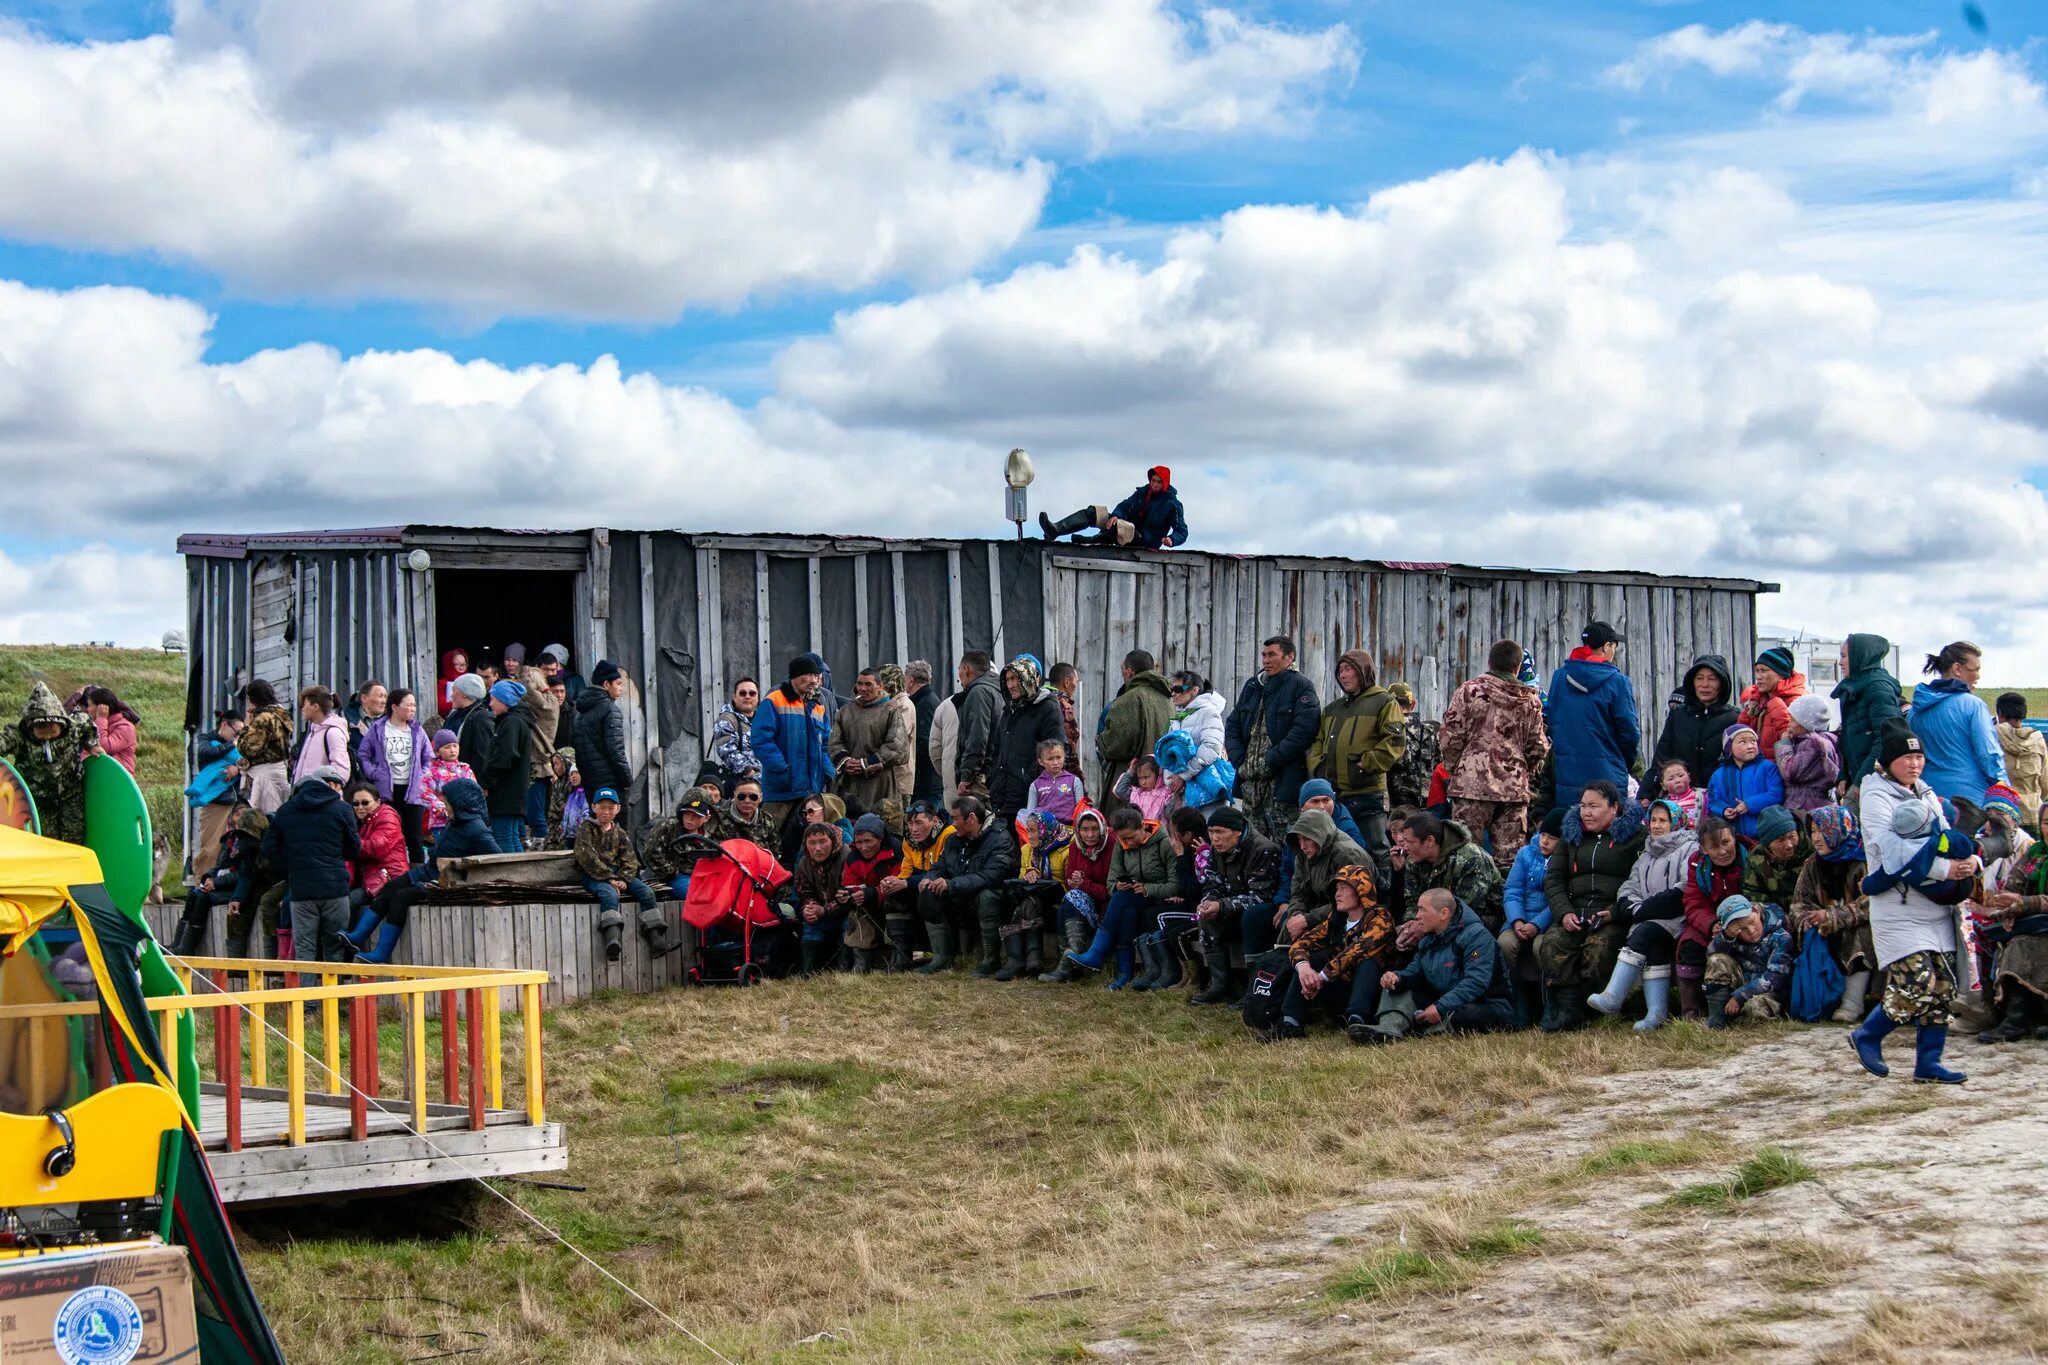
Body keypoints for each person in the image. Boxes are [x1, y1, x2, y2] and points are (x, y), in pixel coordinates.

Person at [1851, 725, 1973, 1084]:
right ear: (1889, 762)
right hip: (1897, 906)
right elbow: (1893, 851)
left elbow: (1945, 838)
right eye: (1907, 757)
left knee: (1943, 988)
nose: (1915, 763)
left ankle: (1928, 1064)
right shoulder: (1875, 796)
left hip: (1934, 905)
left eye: (1919, 756)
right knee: (1915, 983)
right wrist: (1947, 868)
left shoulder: (1925, 792)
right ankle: (1867, 1035)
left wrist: (1968, 864)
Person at [344, 778, 498, 963]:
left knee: (401, 897)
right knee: (391, 887)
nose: (445, 809)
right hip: (428, 870)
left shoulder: (477, 830)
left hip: (444, 880)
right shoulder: (454, 821)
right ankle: (359, 935)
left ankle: (381, 953)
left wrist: (467, 874)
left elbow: (495, 859)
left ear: (461, 805)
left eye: (448, 805)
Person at [1537, 780, 1647, 1032]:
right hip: (1575, 910)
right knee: (1553, 944)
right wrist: (1563, 912)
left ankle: (1593, 1011)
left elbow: (1640, 881)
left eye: (1594, 806)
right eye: (1584, 806)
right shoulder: (1571, 836)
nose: (1586, 812)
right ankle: (1565, 1010)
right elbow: (1554, 878)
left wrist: (1614, 912)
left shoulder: (1635, 837)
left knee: (1598, 950)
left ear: (1614, 808)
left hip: (1612, 914)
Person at [1439, 640, 1548, 872]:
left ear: (1490, 662)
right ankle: (1506, 907)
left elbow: (1450, 738)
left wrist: (1457, 768)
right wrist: (1522, 769)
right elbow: (1538, 746)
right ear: (1517, 667)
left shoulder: (1469, 692)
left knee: (1467, 855)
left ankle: (1470, 907)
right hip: (1513, 790)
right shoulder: (1531, 701)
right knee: (1511, 861)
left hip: (1472, 787)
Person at [1586, 799, 1696, 1030]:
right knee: (1652, 945)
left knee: (1644, 933)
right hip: (1649, 918)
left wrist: (1643, 911)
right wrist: (1636, 908)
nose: (1656, 825)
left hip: (1678, 919)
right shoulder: (1647, 853)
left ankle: (1614, 995)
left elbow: (1684, 888)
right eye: (1653, 820)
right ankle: (1656, 1014)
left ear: (1675, 823)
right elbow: (1628, 888)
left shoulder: (1689, 848)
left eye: (1663, 821)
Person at [1355, 888, 1515, 1043]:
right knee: (1396, 986)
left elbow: (1475, 983)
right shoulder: (1427, 939)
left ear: (1444, 913)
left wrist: (1440, 1007)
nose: (1417, 916)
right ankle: (1388, 1028)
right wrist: (1397, 977)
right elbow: (1416, 971)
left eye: (1422, 910)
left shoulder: (1477, 936)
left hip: (1485, 1005)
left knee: (1465, 1015)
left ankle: (1418, 1029)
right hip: (1443, 999)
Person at [1267, 865, 1392, 1042]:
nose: (1337, 894)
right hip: (1339, 990)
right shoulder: (1336, 920)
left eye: (1343, 889)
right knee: (1312, 959)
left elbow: (1356, 951)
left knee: (1367, 961)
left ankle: (1358, 1021)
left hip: (1374, 994)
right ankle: (1290, 1022)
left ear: (1360, 891)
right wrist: (1305, 970)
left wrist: (1322, 976)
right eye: (1336, 889)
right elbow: (1299, 945)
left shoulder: (1380, 918)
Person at [1056, 806, 1174, 988]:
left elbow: (1176, 885)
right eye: (1122, 838)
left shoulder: (1163, 843)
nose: (1127, 843)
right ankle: (1123, 973)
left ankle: (1097, 954)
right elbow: (1111, 883)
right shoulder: (1121, 844)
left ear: (1143, 827)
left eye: (1131, 837)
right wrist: (1118, 885)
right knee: (1126, 910)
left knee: (1121, 899)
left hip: (1160, 897)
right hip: (1134, 897)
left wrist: (1147, 888)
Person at [1307, 648, 1406, 860]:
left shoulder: (1384, 702)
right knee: (1337, 851)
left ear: (1364, 671)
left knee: (1376, 851)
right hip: (1334, 795)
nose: (1342, 675)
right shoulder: (1333, 708)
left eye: (1349, 669)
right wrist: (1317, 764)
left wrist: (1365, 763)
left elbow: (1395, 742)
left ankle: (1381, 892)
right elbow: (1318, 740)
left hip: (1367, 792)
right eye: (1340, 670)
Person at [260, 765, 361, 963]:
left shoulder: (285, 811)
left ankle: (309, 994)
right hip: (335, 887)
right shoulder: (342, 809)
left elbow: (269, 848)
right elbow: (354, 848)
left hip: (301, 889)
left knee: (305, 950)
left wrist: (289, 868)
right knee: (334, 948)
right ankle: (335, 993)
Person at [1226, 636, 1322, 838]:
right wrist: (1240, 761)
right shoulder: (1253, 686)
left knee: (1285, 841)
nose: (1266, 660)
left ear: (1289, 657)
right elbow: (1233, 724)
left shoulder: (1301, 686)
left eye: (1272, 655)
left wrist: (1272, 759)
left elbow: (1304, 730)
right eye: (1264, 655)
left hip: (1281, 782)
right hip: (1250, 784)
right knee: (1253, 844)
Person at [1186, 805, 1281, 1005]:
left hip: (1262, 913)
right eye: (1211, 832)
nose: (1215, 838)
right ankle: (1220, 985)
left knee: (1252, 916)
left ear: (1237, 831)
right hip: (1231, 907)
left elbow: (1262, 896)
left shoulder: (1263, 849)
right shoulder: (1216, 849)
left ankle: (1253, 990)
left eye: (1220, 832)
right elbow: (1211, 883)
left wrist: (1222, 905)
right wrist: (1209, 902)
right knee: (1206, 918)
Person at [1792, 804, 1876, 1024]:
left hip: (1859, 929)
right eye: (1812, 832)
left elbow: (1872, 903)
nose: (1816, 838)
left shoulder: (1865, 860)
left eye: (1822, 831)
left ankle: (1852, 1003)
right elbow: (1799, 903)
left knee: (1860, 932)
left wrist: (1833, 917)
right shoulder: (1812, 864)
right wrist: (1809, 919)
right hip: (1825, 932)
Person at [1972, 802, 2048, 1043]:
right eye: (2046, 823)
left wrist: (2023, 903)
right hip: (2037, 922)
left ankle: (2018, 1021)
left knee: (2023, 944)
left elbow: (2028, 900)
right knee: (2006, 937)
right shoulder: (2037, 852)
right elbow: (2016, 881)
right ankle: (2014, 1018)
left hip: (2040, 921)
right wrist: (2008, 907)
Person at [913, 796, 1015, 975]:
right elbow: (941, 866)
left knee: (988, 896)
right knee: (929, 891)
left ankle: (991, 960)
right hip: (961, 894)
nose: (952, 823)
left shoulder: (1000, 839)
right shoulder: (953, 840)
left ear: (972, 818)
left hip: (995, 900)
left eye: (955, 818)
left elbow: (992, 876)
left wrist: (951, 884)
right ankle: (941, 958)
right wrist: (928, 878)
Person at [575, 787, 678, 962]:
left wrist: (623, 878)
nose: (606, 811)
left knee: (646, 893)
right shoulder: (587, 829)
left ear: (618, 809)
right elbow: (587, 858)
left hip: (619, 875)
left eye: (610, 808)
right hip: (593, 875)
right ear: (594, 807)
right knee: (608, 894)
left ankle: (656, 941)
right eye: (602, 807)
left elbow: (630, 860)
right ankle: (612, 941)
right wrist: (610, 878)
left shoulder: (620, 833)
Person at [1543, 621, 1641, 802]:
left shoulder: (1559, 677)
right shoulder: (1618, 682)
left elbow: (1550, 722)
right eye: (1614, 646)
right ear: (1606, 647)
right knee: (1607, 826)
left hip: (1568, 773)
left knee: (1573, 824)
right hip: (1608, 775)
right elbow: (1629, 731)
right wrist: (1621, 763)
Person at [1264, 780, 1365, 952]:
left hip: (1346, 911)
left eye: (1326, 800)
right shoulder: (1302, 842)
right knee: (1283, 924)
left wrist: (1307, 919)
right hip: (1316, 903)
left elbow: (1350, 899)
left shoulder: (1347, 851)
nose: (1321, 807)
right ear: (1301, 807)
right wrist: (1295, 914)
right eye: (1315, 801)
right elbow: (1296, 886)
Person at [1909, 642, 2005, 804]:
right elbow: (1988, 755)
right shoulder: (1973, 705)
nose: (1978, 676)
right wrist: (2004, 789)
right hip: (1969, 801)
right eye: (1975, 669)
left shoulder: (1914, 710)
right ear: (1957, 669)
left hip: (1927, 798)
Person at [754, 653, 834, 834]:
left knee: (805, 841)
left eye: (817, 676)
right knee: (767, 837)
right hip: (782, 788)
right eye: (810, 675)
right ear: (795, 677)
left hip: (811, 789)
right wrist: (782, 769)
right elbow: (761, 740)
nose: (815, 680)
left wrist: (828, 771)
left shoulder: (818, 706)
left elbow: (825, 744)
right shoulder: (774, 700)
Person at [1035, 807, 1116, 983]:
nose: (1090, 835)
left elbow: (1111, 891)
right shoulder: (1075, 846)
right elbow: (1070, 877)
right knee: (1070, 898)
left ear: (1102, 828)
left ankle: (1068, 965)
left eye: (1094, 829)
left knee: (1072, 898)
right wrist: (1073, 882)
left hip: (1107, 907)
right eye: (1085, 829)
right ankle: (1069, 962)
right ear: (1078, 831)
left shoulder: (1112, 846)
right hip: (1084, 902)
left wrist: (1083, 884)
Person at [1389, 811, 1505, 933]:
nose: (1405, 847)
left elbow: (1466, 911)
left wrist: (1423, 930)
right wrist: (1411, 927)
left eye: (1410, 842)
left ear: (1429, 841)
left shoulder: (1471, 859)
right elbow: (1413, 902)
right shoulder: (1413, 860)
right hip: (1436, 919)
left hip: (1480, 920)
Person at [1646, 655, 1740, 799]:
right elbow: (1661, 758)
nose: (1705, 684)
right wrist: (1645, 794)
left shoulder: (1734, 718)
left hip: (1720, 800)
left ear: (1722, 683)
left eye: (1712, 679)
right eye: (1699, 678)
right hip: (1680, 800)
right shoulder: (1678, 716)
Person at [356, 687, 431, 863]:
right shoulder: (378, 728)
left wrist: (423, 775)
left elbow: (428, 757)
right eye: (409, 705)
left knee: (414, 838)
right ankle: (391, 873)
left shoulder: (417, 730)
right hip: (386, 790)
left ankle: (417, 878)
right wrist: (373, 772)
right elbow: (363, 754)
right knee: (389, 835)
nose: (413, 709)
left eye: (414, 706)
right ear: (395, 707)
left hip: (413, 790)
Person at [1037, 464, 1189, 549]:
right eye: (1153, 480)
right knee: (1095, 513)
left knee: (1122, 528)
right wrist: (1116, 515)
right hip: (1126, 525)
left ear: (1165, 483)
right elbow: (1126, 505)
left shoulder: (1172, 504)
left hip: (1145, 539)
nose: (1154, 484)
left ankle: (1092, 541)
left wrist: (1171, 539)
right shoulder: (1143, 492)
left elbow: (1182, 531)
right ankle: (1055, 529)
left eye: (1159, 482)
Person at [987, 657, 1065, 820]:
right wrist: (992, 776)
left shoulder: (1047, 707)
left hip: (1029, 796)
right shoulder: (1010, 709)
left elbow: (1056, 750)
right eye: (1007, 680)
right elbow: (997, 748)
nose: (1010, 685)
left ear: (1027, 678)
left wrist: (1029, 777)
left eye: (1015, 679)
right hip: (1002, 797)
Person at [1279, 807, 1370, 944]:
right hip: (1321, 907)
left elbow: (1353, 900)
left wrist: (1308, 919)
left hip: (1354, 913)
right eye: (1299, 839)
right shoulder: (1304, 855)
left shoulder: (1347, 854)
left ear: (1319, 835)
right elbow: (1299, 893)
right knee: (1289, 924)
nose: (1303, 846)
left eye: (1307, 839)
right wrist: (1297, 915)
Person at [883, 800, 956, 971]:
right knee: (894, 895)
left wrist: (905, 882)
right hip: (921, 885)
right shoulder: (909, 841)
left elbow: (946, 871)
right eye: (910, 823)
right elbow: (905, 871)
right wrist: (893, 882)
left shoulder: (949, 835)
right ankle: (902, 958)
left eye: (919, 823)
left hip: (946, 887)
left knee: (929, 891)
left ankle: (942, 957)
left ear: (934, 821)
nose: (913, 829)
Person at [1701, 895, 1795, 1027]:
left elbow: (1775, 977)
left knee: (1756, 1008)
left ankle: (1739, 1018)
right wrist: (1727, 937)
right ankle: (1717, 1021)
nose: (1751, 931)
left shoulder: (1781, 936)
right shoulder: (1731, 935)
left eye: (1752, 922)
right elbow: (1710, 953)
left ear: (1756, 911)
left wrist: (1740, 996)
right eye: (1742, 929)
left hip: (1774, 991)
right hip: (1745, 983)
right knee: (1717, 960)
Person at [998, 811, 1069, 982]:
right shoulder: (1027, 850)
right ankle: (1028, 958)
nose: (1029, 836)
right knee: (1020, 900)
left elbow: (1068, 887)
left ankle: (1023, 959)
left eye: (1033, 831)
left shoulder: (1067, 850)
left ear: (1046, 830)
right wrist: (1029, 873)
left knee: (1028, 904)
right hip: (1035, 904)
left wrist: (1044, 880)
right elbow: (1022, 880)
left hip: (1057, 905)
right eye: (1027, 831)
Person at [1499, 806, 1565, 985]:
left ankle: (1545, 995)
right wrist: (1516, 920)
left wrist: (1537, 924)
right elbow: (1512, 890)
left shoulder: (1564, 859)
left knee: (1541, 946)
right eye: (1543, 835)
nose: (1544, 841)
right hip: (1520, 917)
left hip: (1549, 921)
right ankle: (1513, 994)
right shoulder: (1525, 853)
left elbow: (1561, 898)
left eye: (1552, 838)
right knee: (1505, 944)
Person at [831, 667, 910, 815]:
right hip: (848, 783)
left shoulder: (891, 711)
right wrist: (845, 761)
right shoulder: (846, 711)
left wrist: (867, 763)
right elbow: (834, 741)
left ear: (880, 686)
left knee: (879, 828)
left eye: (868, 684)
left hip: (879, 785)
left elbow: (898, 747)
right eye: (859, 684)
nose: (862, 688)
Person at [1099, 650, 1175, 800]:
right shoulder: (1168, 700)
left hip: (1134, 782)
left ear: (1129, 672)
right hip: (1163, 781)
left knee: (1125, 822)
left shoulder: (1127, 700)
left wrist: (1100, 741)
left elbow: (1114, 745)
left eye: (1122, 670)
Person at [1832, 634, 1902, 793]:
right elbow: (1848, 740)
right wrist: (1844, 775)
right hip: (1859, 782)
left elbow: (1887, 740)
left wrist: (1863, 779)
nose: (1840, 662)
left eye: (1844, 656)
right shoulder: (1853, 689)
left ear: (1860, 656)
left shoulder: (1878, 689)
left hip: (1875, 785)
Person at [838, 813, 902, 974]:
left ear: (880, 838)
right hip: (870, 903)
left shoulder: (895, 851)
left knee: (895, 904)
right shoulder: (853, 858)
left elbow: (899, 882)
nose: (863, 847)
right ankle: (861, 964)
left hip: (895, 901)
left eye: (868, 841)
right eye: (858, 842)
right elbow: (851, 884)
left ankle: (894, 961)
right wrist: (848, 895)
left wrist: (871, 893)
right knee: (858, 912)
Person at [785, 818, 850, 975]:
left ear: (833, 841)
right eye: (812, 842)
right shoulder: (805, 863)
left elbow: (849, 895)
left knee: (849, 922)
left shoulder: (847, 857)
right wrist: (809, 908)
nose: (818, 848)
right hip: (821, 910)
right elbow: (803, 892)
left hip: (845, 910)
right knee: (810, 922)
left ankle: (844, 968)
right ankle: (809, 970)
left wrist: (824, 910)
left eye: (823, 841)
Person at [482, 680, 537, 853]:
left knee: (503, 837)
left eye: (493, 699)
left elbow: (505, 757)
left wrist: (487, 781)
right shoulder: (517, 721)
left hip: (505, 792)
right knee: (511, 836)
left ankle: (509, 878)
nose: (490, 704)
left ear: (505, 700)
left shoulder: (511, 723)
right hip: (514, 792)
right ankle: (522, 876)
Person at [190, 709, 244, 879]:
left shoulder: (236, 744)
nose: (238, 737)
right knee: (212, 846)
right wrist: (231, 745)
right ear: (224, 725)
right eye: (237, 732)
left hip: (234, 801)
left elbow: (247, 763)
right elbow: (207, 753)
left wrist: (238, 769)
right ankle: (202, 882)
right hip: (216, 802)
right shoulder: (206, 740)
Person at [573, 660, 635, 808]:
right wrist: (627, 780)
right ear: (606, 684)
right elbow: (616, 751)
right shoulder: (609, 710)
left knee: (596, 827)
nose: (621, 688)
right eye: (618, 683)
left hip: (590, 783)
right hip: (610, 783)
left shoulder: (580, 712)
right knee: (616, 829)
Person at [1707, 725, 1784, 841]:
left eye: (1753, 741)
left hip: (1764, 834)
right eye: (1742, 742)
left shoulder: (1768, 767)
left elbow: (1776, 794)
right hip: (1733, 837)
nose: (1750, 745)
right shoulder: (1719, 775)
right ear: (1729, 748)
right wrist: (1723, 810)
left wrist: (1749, 804)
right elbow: (1713, 801)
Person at [1164, 670, 1229, 802]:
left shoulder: (1209, 712)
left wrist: (1183, 775)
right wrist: (1172, 780)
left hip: (1206, 790)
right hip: (1183, 790)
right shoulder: (1179, 717)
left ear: (1194, 690)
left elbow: (1211, 748)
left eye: (1178, 689)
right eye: (1172, 689)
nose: (1173, 693)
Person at [644, 791, 722, 899]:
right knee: (695, 896)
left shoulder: (714, 833)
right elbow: (650, 852)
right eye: (687, 813)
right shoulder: (668, 827)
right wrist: (671, 871)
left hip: (706, 876)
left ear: (707, 818)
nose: (690, 819)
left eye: (696, 816)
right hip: (676, 877)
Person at [345, 785, 410, 913]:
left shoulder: (387, 816)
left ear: (378, 801)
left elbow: (375, 848)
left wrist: (346, 844)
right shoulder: (364, 822)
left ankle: (346, 933)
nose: (360, 807)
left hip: (388, 878)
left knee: (348, 903)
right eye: (355, 804)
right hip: (372, 878)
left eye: (365, 803)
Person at [1775, 695, 1841, 813]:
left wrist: (1784, 744)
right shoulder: (1810, 741)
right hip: (1810, 802)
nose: (1789, 724)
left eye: (1793, 720)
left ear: (1806, 723)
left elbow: (1789, 772)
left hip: (1806, 805)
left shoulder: (1813, 744)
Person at [1739, 646, 1809, 756]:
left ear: (1781, 674)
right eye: (1757, 671)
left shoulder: (1798, 702)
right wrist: (1748, 714)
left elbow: (1797, 743)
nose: (1758, 676)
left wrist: (1778, 709)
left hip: (1782, 770)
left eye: (1764, 671)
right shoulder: (1759, 700)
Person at [237, 680, 293, 814]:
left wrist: (246, 726)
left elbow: (247, 749)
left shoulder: (264, 718)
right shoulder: (281, 713)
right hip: (279, 770)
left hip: (264, 776)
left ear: (253, 698)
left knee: (262, 820)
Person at [952, 651, 1003, 799]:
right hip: (995, 773)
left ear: (966, 670)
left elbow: (977, 738)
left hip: (980, 780)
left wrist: (966, 776)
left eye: (959, 670)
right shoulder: (998, 689)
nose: (959, 676)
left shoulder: (978, 692)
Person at [1994, 693, 2048, 821]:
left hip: (2004, 814)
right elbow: (2045, 782)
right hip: (2033, 814)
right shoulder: (2037, 740)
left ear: (2000, 713)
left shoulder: (1992, 738)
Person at [418, 729, 474, 848]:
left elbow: (474, 791)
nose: (452, 750)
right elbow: (424, 792)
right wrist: (443, 809)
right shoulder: (431, 772)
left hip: (465, 819)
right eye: (447, 747)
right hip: (441, 822)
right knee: (444, 850)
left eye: (455, 746)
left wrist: (466, 808)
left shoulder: (465, 769)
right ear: (438, 751)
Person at [706, 677, 764, 789]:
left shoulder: (764, 720)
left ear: (757, 698)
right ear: (734, 696)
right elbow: (727, 752)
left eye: (752, 693)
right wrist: (750, 772)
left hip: (767, 784)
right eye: (742, 693)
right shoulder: (726, 719)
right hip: (741, 785)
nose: (747, 696)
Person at [876, 663, 919, 807]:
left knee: (897, 826)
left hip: (899, 780)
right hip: (887, 779)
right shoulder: (890, 703)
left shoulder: (903, 705)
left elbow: (897, 739)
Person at [292, 686, 353, 784]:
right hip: (305, 796)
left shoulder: (333, 733)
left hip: (320, 797)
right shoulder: (311, 733)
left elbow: (341, 771)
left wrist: (323, 793)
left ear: (315, 707)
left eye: (304, 705)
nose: (302, 709)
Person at [1023, 739, 1085, 825]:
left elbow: (1080, 811)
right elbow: (1030, 814)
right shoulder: (1035, 785)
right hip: (1043, 831)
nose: (1055, 762)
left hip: (1069, 830)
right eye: (1050, 759)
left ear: (1064, 757)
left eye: (1059, 757)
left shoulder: (1074, 781)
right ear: (1041, 762)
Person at [905, 662, 943, 803]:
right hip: (925, 781)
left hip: (926, 783)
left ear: (910, 680)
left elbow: (925, 743)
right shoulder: (924, 701)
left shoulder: (925, 704)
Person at [81, 687, 139, 773]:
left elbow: (103, 748)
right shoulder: (94, 724)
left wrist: (101, 719)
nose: (87, 709)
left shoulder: (125, 728)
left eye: (90, 705)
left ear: (101, 707)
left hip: (118, 777)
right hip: (100, 774)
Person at [714, 777, 776, 852]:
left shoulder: (767, 819)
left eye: (753, 797)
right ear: (734, 796)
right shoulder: (718, 819)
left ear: (761, 798)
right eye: (741, 797)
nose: (747, 801)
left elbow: (775, 850)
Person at [1111, 754, 1173, 822]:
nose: (1143, 782)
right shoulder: (1136, 793)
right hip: (1137, 831)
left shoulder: (1166, 794)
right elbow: (1119, 791)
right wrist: (1130, 772)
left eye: (1146, 777)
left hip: (1157, 831)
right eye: (1139, 778)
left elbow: (1170, 816)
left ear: (1158, 774)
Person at [1047, 662, 1081, 768]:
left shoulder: (1041, 701)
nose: (1076, 685)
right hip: (1059, 769)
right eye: (1076, 681)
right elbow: (1069, 745)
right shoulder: (1062, 705)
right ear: (1067, 682)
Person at [1655, 757, 1704, 828]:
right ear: (1663, 786)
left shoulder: (1703, 796)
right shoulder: (1662, 805)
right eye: (1671, 779)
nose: (1677, 780)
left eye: (1681, 775)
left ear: (1689, 777)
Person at [437, 648, 471, 714]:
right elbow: (441, 707)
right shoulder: (441, 684)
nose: (461, 668)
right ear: (449, 664)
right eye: (457, 664)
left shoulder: (470, 681)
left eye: (464, 664)